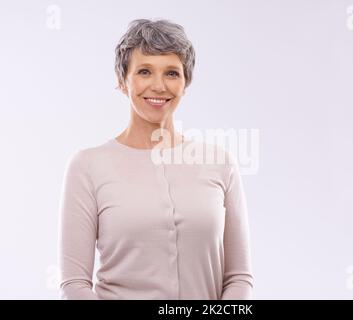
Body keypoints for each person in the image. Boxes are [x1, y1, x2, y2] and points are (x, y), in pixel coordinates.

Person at [58, 18, 254, 299]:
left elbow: (239, 278)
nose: (159, 86)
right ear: (122, 81)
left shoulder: (220, 163)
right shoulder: (87, 167)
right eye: (145, 71)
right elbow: (74, 285)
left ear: (186, 83)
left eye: (172, 73)